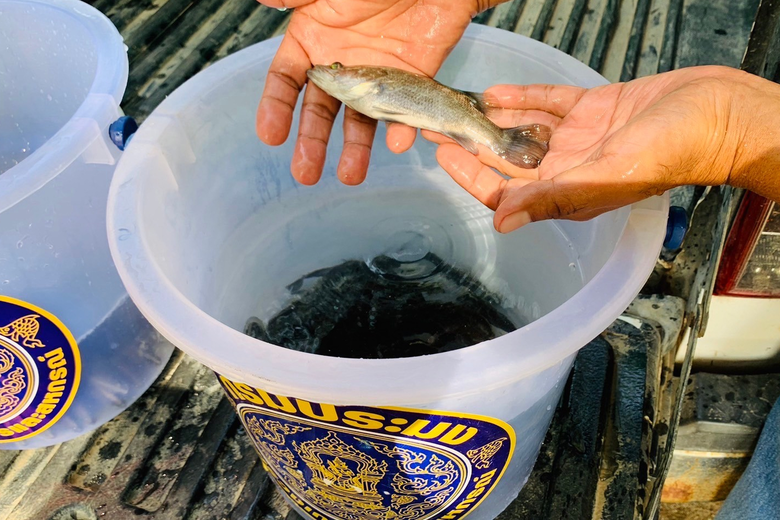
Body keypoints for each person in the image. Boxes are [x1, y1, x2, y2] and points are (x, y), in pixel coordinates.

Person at [253, 3, 780, 514]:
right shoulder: (366, 79)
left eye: (340, 70)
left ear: (361, 78)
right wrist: (729, 123)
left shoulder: (369, 82)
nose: (328, 73)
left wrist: (729, 132)